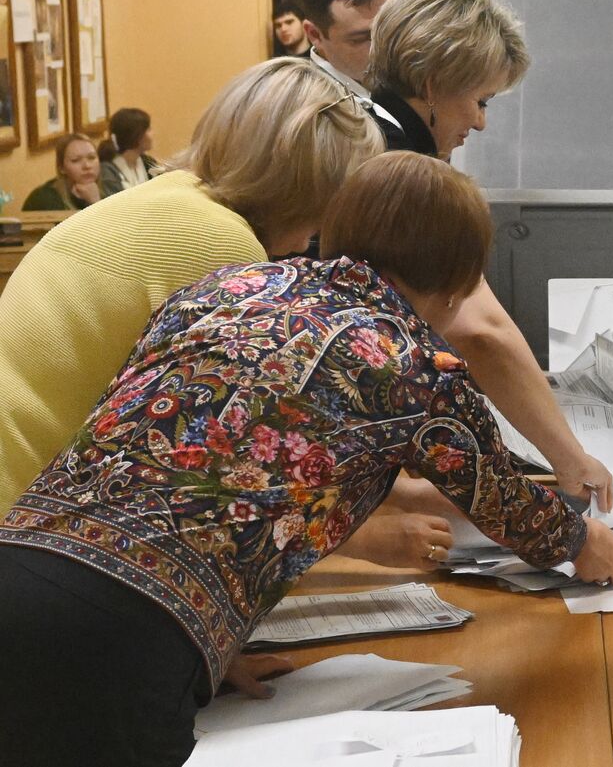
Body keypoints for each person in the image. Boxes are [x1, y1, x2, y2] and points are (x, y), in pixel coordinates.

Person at [0, 152, 613, 767]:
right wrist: (583, 542)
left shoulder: (222, 288)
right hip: (119, 641)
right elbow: (508, 505)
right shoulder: (408, 364)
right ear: (458, 283)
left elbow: (153, 457)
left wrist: (209, 649)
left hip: (19, 559)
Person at [0, 58, 377, 510]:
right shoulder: (222, 242)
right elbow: (230, 454)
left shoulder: (172, 194)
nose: (318, 231)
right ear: (302, 188)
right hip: (31, 521)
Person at [362, 0, 613, 509]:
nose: (478, 123)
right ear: (432, 83)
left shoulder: (360, 128)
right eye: (481, 100)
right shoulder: (406, 173)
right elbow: (481, 330)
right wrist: (570, 459)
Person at [301, 0, 395, 107]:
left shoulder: (405, 83)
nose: (385, 48)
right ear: (315, 35)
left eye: (392, 28)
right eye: (363, 38)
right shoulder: (302, 112)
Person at [22, 133, 104, 210]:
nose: (87, 166)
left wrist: (95, 201)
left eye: (91, 158)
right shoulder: (44, 199)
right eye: (76, 160)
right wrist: (96, 204)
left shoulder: (107, 188)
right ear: (61, 168)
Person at [97, 107, 161, 195]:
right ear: (136, 134)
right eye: (149, 129)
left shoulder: (148, 163)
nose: (153, 134)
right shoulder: (108, 170)